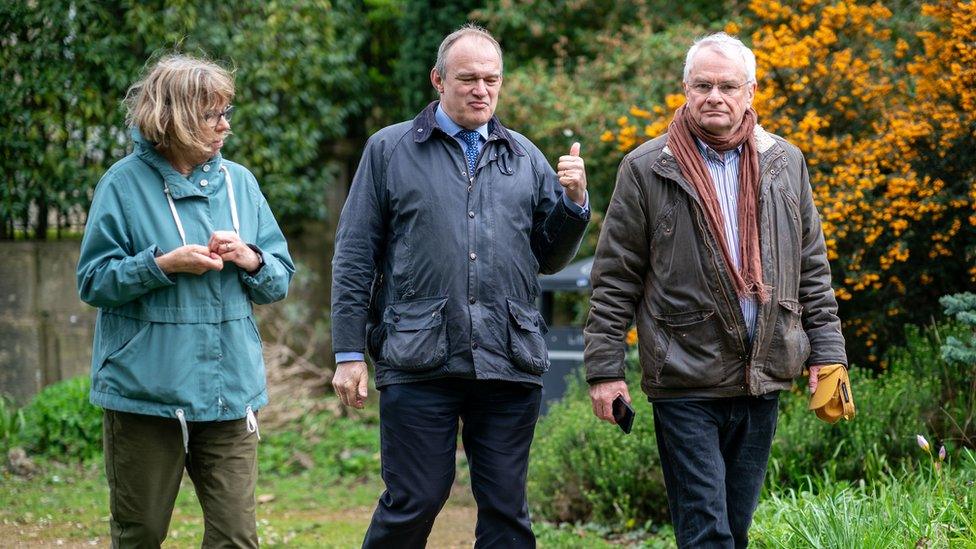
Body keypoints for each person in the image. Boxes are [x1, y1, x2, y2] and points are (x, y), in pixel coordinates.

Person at [330, 24, 590, 548]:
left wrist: (574, 203)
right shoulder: (389, 149)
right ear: (438, 80)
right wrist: (348, 352)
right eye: (468, 78)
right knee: (415, 500)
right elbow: (354, 256)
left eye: (491, 79)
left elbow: (549, 258)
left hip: (507, 356)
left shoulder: (525, 156)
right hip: (418, 355)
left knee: (506, 511)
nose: (481, 90)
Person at [584, 33, 847, 548]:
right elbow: (615, 278)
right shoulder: (647, 168)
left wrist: (829, 351)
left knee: (736, 528)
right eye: (702, 85)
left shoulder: (784, 163)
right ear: (685, 89)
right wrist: (605, 370)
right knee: (708, 532)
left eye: (727, 86)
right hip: (684, 375)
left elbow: (811, 266)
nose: (714, 96)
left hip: (761, 374)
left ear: (750, 92)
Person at [77, 54, 295, 547]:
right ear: (173, 117)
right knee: (141, 534)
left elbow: (279, 279)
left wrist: (251, 258)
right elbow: (92, 281)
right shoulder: (121, 185)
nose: (226, 127)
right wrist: (160, 265)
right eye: (212, 115)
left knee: (237, 537)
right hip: (147, 396)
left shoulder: (241, 183)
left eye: (226, 112)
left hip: (230, 393)